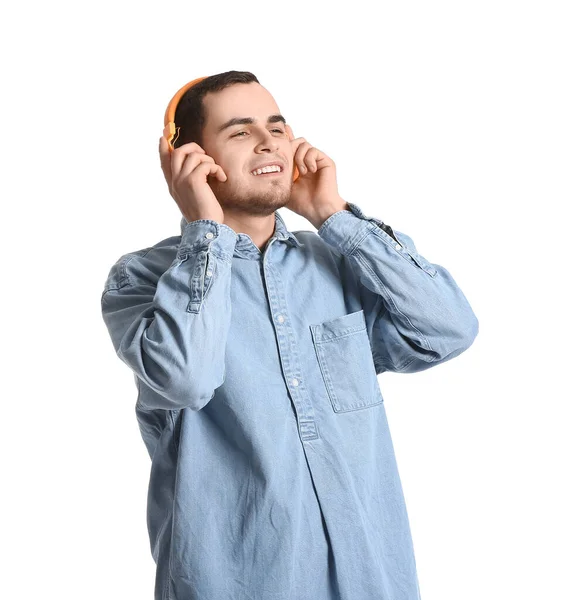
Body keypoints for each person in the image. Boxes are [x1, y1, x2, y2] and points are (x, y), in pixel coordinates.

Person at [100, 70, 479, 600]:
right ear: (187, 158)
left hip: (373, 581)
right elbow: (186, 379)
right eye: (239, 131)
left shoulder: (341, 261)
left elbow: (449, 331)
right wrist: (204, 230)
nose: (268, 141)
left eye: (276, 127)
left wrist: (333, 215)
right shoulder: (142, 278)